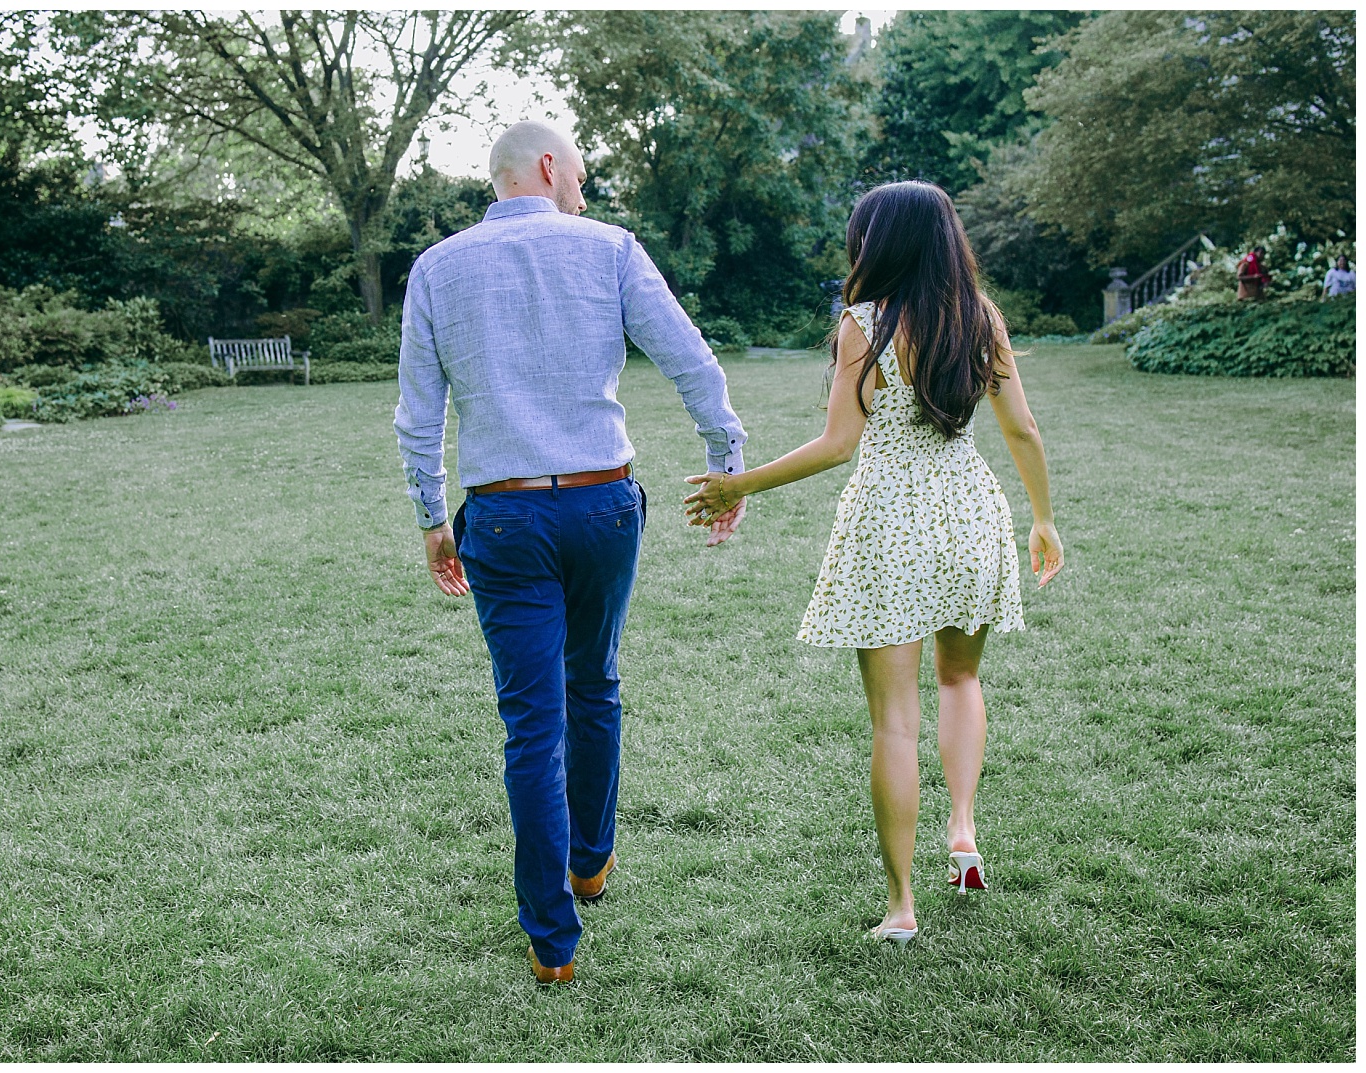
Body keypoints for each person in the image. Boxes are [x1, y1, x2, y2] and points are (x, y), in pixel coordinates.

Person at [393, 120, 749, 984]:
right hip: (602, 505)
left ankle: (553, 941)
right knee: (595, 682)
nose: (583, 193)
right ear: (547, 167)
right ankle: (589, 861)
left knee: (531, 723)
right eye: (580, 176)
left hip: (503, 518)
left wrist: (432, 516)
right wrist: (725, 456)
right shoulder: (612, 249)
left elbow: (417, 409)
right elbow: (688, 356)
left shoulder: (438, 268)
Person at [683, 181, 1064, 946]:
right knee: (962, 678)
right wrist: (1044, 518)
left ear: (877, 244)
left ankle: (901, 907)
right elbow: (1022, 429)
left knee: (894, 723)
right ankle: (962, 831)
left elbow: (837, 445)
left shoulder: (864, 325)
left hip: (891, 521)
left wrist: (739, 482)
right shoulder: (981, 319)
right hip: (970, 513)